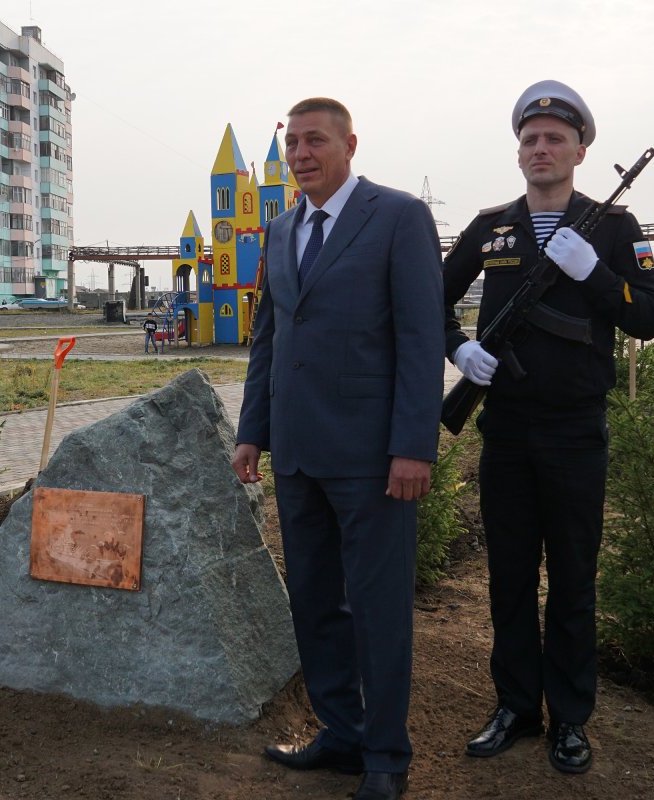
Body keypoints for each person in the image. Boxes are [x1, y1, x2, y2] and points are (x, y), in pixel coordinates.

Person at [443, 81, 654, 774]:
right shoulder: (491, 227)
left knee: (573, 579)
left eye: (555, 139)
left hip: (575, 434)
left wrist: (595, 275)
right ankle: (515, 706)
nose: (541, 148)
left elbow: (650, 317)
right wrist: (458, 350)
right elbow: (428, 300)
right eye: (531, 139)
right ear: (519, 153)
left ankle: (569, 717)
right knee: (509, 577)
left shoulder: (614, 228)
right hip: (506, 432)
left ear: (580, 151)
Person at [232, 97, 444, 800]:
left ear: (350, 144)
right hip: (297, 453)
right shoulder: (281, 228)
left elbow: (421, 338)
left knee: (379, 611)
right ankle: (342, 734)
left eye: (315, 140)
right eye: (293, 142)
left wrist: (413, 446)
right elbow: (269, 339)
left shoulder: (398, 217)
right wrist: (252, 430)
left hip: (373, 460)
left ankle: (386, 755)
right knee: (316, 603)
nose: (301, 154)